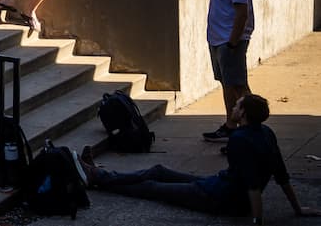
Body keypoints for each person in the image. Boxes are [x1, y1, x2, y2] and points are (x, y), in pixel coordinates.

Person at [81, 94, 315, 223]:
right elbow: (281, 174)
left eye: (237, 105)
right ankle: (99, 174)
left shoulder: (240, 140)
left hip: (220, 199)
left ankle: (97, 176)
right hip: (216, 186)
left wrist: (257, 221)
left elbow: (254, 186)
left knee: (151, 187)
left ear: (242, 114)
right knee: (159, 170)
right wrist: (298, 208)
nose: (233, 106)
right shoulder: (266, 133)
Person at [205, 0, 256, 141]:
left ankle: (252, 130)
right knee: (228, 84)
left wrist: (233, 42)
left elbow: (242, 12)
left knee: (238, 86)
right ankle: (231, 126)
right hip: (219, 39)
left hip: (229, 40)